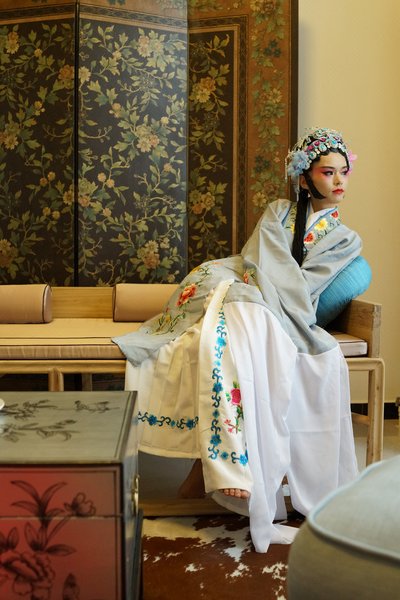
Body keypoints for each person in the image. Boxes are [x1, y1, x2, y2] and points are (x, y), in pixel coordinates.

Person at [113, 127, 368, 553]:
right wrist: (255, 286)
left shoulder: (345, 238)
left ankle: (226, 465)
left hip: (279, 300)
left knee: (236, 328)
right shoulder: (277, 212)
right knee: (225, 315)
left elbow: (307, 285)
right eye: (328, 172)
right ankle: (219, 466)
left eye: (344, 171)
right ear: (305, 177)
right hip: (241, 276)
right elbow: (257, 257)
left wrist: (266, 294)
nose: (339, 180)